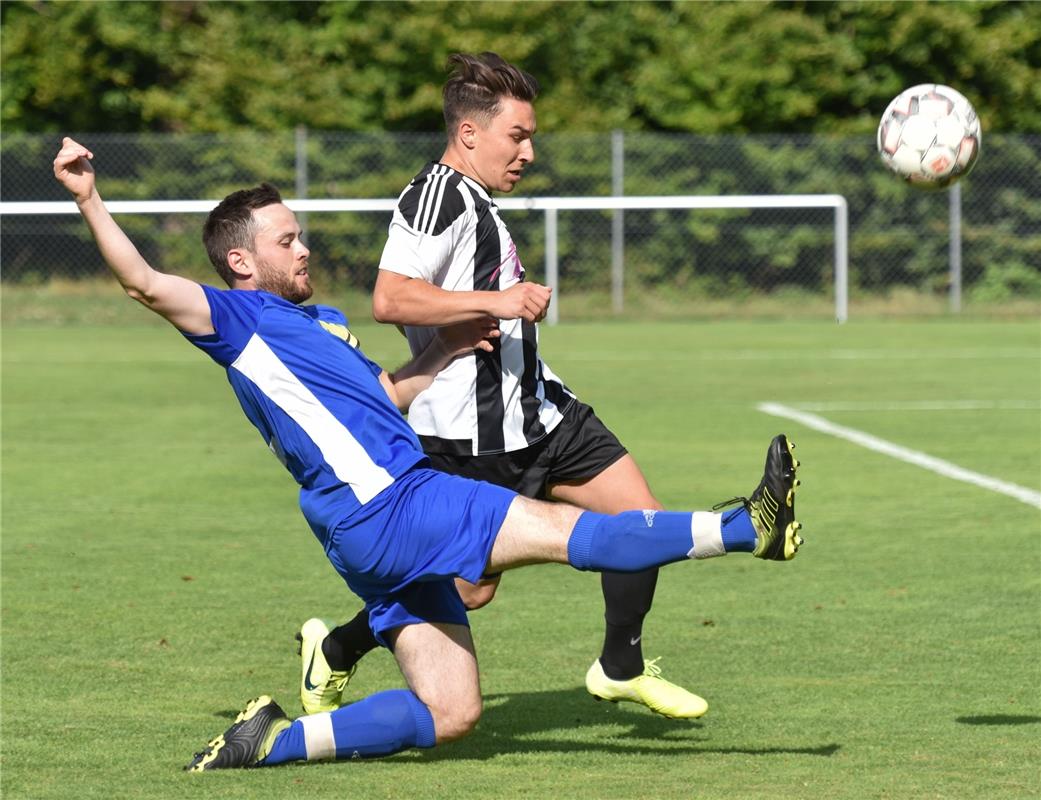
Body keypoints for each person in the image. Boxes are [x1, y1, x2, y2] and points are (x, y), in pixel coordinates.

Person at [53, 136, 803, 773]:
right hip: (397, 504)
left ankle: (271, 741)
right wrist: (88, 197)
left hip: (363, 533)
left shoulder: (319, 325)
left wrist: (441, 350)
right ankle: (749, 527)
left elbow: (381, 396)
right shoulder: (236, 318)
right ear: (242, 262)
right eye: (286, 240)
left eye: (299, 233)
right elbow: (145, 284)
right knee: (576, 534)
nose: (304, 246)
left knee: (451, 713)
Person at [300, 51, 708, 722]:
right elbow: (390, 298)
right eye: (516, 136)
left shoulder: (477, 200)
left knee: (641, 521)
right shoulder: (436, 195)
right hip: (468, 436)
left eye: (530, 137)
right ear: (468, 134)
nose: (528, 153)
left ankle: (619, 665)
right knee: (464, 591)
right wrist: (497, 301)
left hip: (541, 412)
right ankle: (339, 647)